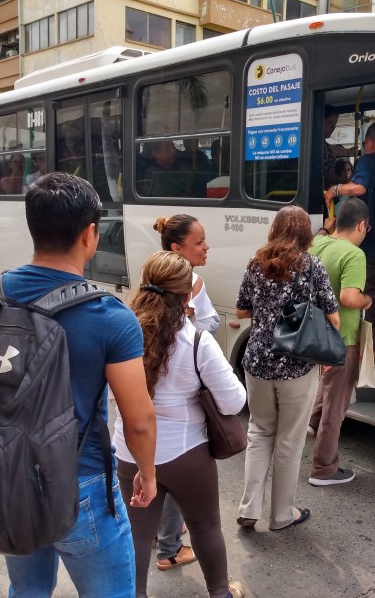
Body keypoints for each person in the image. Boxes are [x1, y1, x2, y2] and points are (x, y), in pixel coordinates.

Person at [0, 172, 157, 597]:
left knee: (26, 590)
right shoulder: (110, 316)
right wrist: (147, 472)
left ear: (33, 226)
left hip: (6, 474)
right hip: (78, 484)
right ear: (90, 234)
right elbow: (138, 420)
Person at [113, 250, 247, 598]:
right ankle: (220, 592)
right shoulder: (197, 342)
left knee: (137, 534)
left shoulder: (120, 334)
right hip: (187, 453)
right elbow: (234, 401)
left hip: (130, 451)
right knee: (205, 525)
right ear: (188, 295)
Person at [235, 205, 340, 531]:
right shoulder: (312, 267)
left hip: (256, 363)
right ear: (306, 233)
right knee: (290, 441)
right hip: (296, 366)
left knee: (259, 431)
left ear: (275, 229)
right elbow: (333, 317)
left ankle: (250, 508)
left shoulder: (257, 264)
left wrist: (266, 312)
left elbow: (241, 312)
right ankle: (282, 515)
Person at [149, 213, 220, 572]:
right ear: (178, 248)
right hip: (181, 413)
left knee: (152, 475)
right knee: (178, 474)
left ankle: (158, 540)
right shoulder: (190, 283)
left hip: (146, 412)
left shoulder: (154, 278)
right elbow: (200, 326)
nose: (206, 247)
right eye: (198, 242)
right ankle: (169, 548)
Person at [324, 120, 375, 364]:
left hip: (374, 243)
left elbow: (358, 188)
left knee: (369, 296)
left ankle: (372, 350)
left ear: (369, 142)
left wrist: (334, 190)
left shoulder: (368, 161)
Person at [307, 198, 371, 486]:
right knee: (337, 405)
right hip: (341, 337)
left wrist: (324, 228)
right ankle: (324, 469)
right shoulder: (354, 255)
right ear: (361, 225)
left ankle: (309, 424)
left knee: (325, 386)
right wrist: (368, 299)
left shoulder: (317, 244)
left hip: (313, 334)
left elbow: (320, 234)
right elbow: (348, 298)